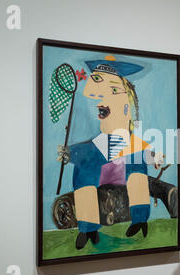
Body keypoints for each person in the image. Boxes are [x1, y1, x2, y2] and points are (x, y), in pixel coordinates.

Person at [60, 55, 156, 249]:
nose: (101, 102)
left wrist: (155, 156)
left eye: (112, 91)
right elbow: (83, 151)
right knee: (84, 169)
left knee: (137, 167)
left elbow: (145, 151)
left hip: (125, 160)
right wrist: (68, 154)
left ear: (127, 109)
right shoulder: (95, 145)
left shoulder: (132, 143)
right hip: (102, 163)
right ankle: (87, 229)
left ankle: (140, 219)